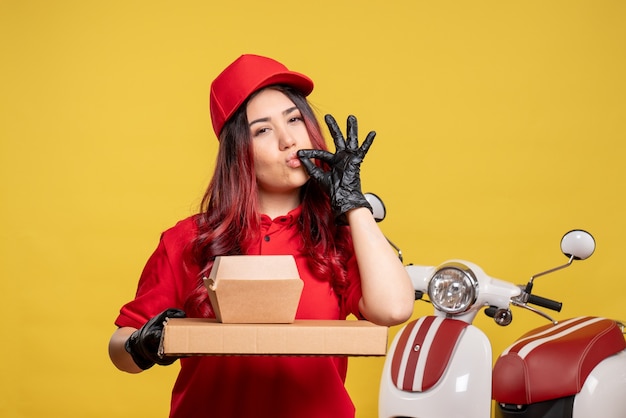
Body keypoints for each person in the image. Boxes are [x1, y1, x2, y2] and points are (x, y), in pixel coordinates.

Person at [108, 53, 414, 418]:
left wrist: (354, 205)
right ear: (239, 152)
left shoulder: (339, 239)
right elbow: (119, 349)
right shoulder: (189, 239)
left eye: (295, 119)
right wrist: (144, 344)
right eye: (263, 130)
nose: (288, 140)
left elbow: (394, 309)